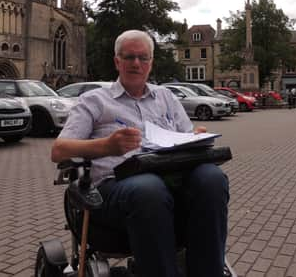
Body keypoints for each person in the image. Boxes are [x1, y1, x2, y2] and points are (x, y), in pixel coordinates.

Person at [51, 30, 229, 277]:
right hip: (115, 188)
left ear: (151, 63)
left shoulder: (166, 97)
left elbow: (184, 137)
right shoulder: (94, 100)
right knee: (149, 188)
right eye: (129, 57)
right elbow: (59, 151)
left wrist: (194, 138)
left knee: (211, 178)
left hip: (172, 181)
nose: (136, 63)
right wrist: (107, 146)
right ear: (117, 61)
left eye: (143, 58)